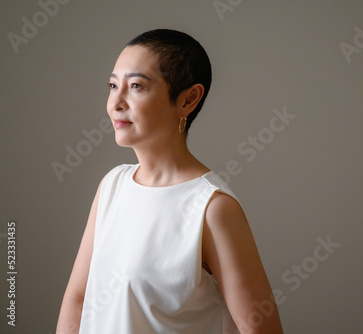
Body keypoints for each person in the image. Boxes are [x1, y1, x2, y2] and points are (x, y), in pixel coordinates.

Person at [56, 29, 283, 334]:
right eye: (113, 85)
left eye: (136, 86)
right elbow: (78, 300)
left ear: (188, 99)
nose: (116, 102)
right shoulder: (112, 185)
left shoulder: (212, 207)